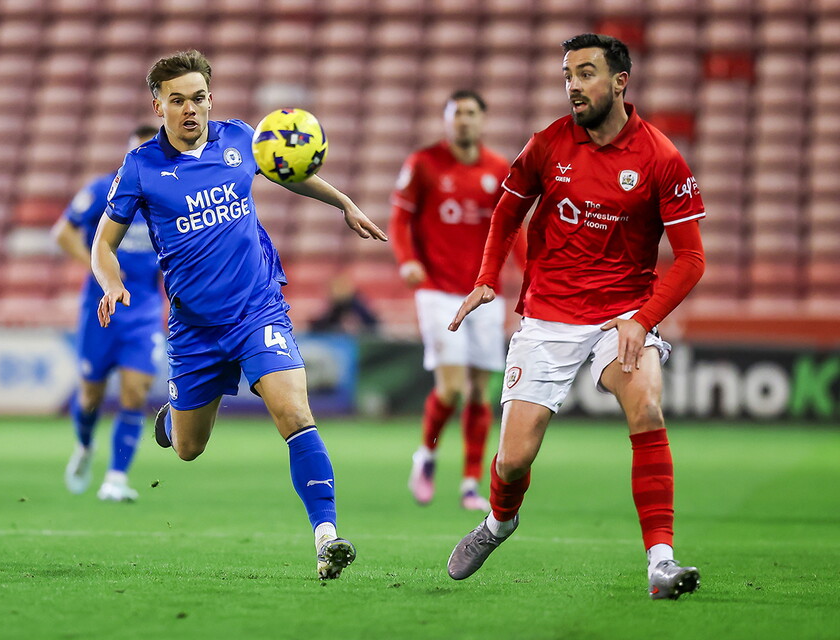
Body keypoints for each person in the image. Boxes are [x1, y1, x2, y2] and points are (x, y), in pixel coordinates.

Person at [91, 50, 387, 580]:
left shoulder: (238, 139)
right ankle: (173, 421)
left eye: (198, 98)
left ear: (211, 99)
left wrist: (343, 202)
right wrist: (111, 283)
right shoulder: (140, 166)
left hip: (257, 308)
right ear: (158, 105)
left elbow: (288, 173)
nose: (190, 109)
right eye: (177, 100)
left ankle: (326, 537)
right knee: (188, 449)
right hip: (194, 328)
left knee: (294, 413)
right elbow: (102, 244)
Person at [445, 34, 706, 601]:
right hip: (548, 316)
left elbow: (691, 259)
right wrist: (488, 277)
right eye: (567, 75)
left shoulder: (660, 157)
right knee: (513, 461)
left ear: (619, 82)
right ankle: (499, 522)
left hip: (624, 312)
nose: (572, 85)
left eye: (586, 73)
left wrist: (645, 318)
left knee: (647, 405)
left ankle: (660, 562)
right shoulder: (547, 145)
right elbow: (507, 211)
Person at [389, 89, 524, 511]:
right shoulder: (424, 163)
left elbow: (510, 229)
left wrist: (530, 272)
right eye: (456, 114)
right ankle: (426, 455)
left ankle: (469, 483)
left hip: (484, 293)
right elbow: (399, 219)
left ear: (482, 120)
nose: (463, 120)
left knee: (481, 393)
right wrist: (408, 260)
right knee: (450, 389)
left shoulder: (500, 168)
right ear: (446, 121)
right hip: (437, 291)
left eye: (470, 113)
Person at [53, 125, 163, 503]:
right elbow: (63, 232)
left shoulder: (171, 196)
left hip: (145, 306)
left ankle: (116, 478)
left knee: (135, 392)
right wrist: (99, 269)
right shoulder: (104, 190)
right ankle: (84, 446)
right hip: (100, 307)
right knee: (90, 397)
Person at [309, 273, 379, 334]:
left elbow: (372, 324)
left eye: (341, 287)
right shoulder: (336, 308)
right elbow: (323, 323)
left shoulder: (357, 305)